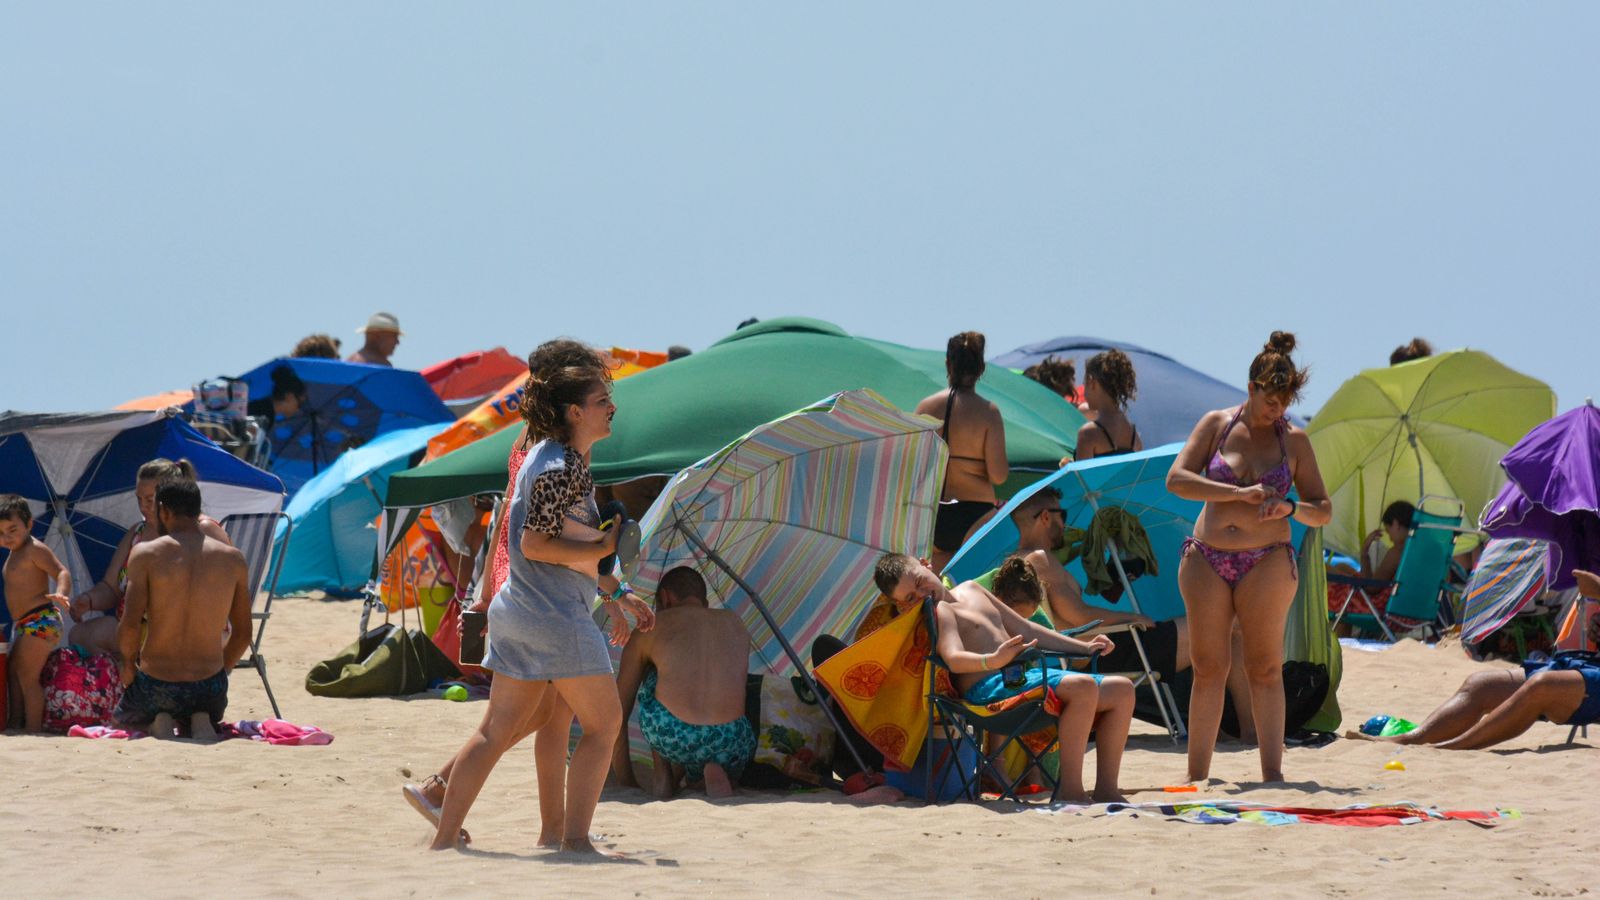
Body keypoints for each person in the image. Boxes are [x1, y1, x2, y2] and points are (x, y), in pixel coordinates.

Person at [426, 339, 652, 855]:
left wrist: (613, 584)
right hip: (552, 614)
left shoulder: (548, 456)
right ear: (575, 410)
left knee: (498, 730)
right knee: (605, 724)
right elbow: (534, 542)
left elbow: (546, 540)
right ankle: (574, 840)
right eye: (602, 401)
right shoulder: (560, 466)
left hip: (521, 609)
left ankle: (442, 842)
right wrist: (603, 544)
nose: (612, 407)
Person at [1166, 331, 1332, 783]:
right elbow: (1177, 480)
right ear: (1252, 387)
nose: (1276, 410)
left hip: (1268, 558)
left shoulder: (1293, 442)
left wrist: (1291, 507)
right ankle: (1196, 775)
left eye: (1284, 402)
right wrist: (1237, 493)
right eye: (1270, 400)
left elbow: (1323, 510)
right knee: (1208, 667)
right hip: (1207, 556)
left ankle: (1272, 773)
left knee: (1263, 666)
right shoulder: (1216, 424)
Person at [874, 553, 1133, 803]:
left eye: (919, 582)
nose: (921, 594)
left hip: (1018, 680)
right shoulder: (941, 612)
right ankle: (1071, 791)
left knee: (1122, 689)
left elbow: (1026, 628)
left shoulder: (973, 589)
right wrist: (993, 660)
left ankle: (1106, 789)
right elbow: (953, 657)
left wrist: (1083, 647)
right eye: (910, 597)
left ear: (926, 565)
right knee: (1082, 685)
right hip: (987, 693)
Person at [1004, 488, 1253, 734]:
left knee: (1227, 629)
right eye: (1063, 516)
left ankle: (1233, 729)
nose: (1064, 524)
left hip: (1103, 650)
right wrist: (1130, 617)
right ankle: (1249, 730)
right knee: (1232, 624)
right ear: (1046, 517)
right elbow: (1078, 616)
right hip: (1106, 652)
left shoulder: (1021, 560)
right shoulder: (1039, 558)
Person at [1350, 569, 1600, 749]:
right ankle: (1414, 738)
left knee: (1541, 685)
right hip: (1588, 663)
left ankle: (1452, 747)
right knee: (1481, 684)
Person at [113, 477, 253, 741]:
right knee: (204, 704)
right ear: (197, 509)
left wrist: (129, 667)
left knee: (122, 720)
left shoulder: (146, 554)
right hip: (208, 686)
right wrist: (221, 672)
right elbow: (243, 632)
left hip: (157, 683)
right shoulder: (233, 559)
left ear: (162, 509)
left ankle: (159, 720)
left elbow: (129, 623)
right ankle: (200, 718)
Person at [611, 566, 755, 799]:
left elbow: (617, 713)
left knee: (655, 679)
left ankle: (663, 774)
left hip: (675, 736)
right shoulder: (734, 622)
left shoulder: (652, 626)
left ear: (666, 597)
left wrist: (628, 782)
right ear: (704, 602)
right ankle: (710, 774)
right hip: (734, 739)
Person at [67, 459, 232, 657]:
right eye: (139, 499)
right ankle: (124, 677)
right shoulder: (137, 532)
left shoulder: (202, 530)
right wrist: (89, 600)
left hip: (188, 628)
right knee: (80, 635)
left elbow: (227, 588)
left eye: (150, 499)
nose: (143, 507)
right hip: (137, 627)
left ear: (171, 494)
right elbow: (110, 587)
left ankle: (129, 675)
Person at [916, 331, 1008, 573]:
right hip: (976, 514)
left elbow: (914, 468)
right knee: (968, 587)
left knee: (935, 593)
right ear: (981, 367)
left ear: (948, 363)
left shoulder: (926, 407)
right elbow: (999, 476)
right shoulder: (989, 412)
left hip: (934, 513)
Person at [1, 495, 73, 732]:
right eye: (1, 533)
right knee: (12, 671)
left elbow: (62, 572)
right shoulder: (15, 553)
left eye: (13, 530)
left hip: (42, 619)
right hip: (25, 623)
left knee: (27, 677)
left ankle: (32, 730)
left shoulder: (34, 549)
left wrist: (61, 593)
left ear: (29, 524)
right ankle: (15, 723)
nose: (7, 537)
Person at [1326, 500, 1415, 628]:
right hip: (1411, 611)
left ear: (1395, 524)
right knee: (1342, 567)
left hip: (1383, 610)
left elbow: (1371, 588)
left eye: (1388, 530)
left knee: (1326, 571)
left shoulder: (1398, 551)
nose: (1389, 537)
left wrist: (1364, 552)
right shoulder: (1422, 550)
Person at [1073, 349, 1143, 463]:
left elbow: (1083, 479)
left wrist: (1069, 468)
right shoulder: (1135, 437)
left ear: (1092, 382)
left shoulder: (1088, 434)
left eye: (1084, 383)